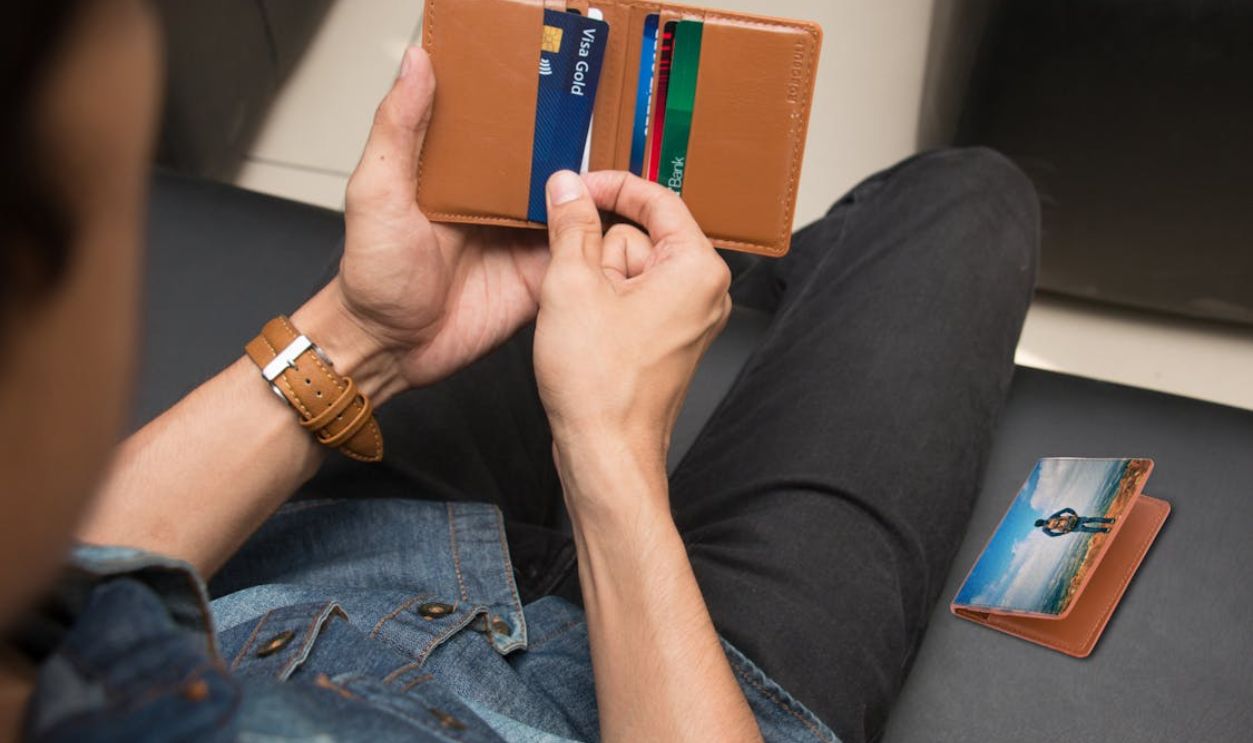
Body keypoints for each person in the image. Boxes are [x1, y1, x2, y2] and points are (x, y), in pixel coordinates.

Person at [0, 1, 1039, 742]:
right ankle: (739, 281)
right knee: (960, 199)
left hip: (321, 577)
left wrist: (366, 335)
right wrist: (608, 453)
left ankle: (718, 283)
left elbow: (63, 587)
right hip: (696, 692)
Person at [1035, 508, 1116, 536]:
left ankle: (1105, 530)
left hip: (1071, 528)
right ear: (1042, 519)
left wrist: (1064, 532)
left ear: (1040, 526)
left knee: (1089, 530)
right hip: (1074, 519)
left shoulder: (1045, 529)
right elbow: (1066, 509)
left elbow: (1052, 535)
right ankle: (1110, 521)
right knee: (1092, 519)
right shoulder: (1051, 517)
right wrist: (1074, 514)